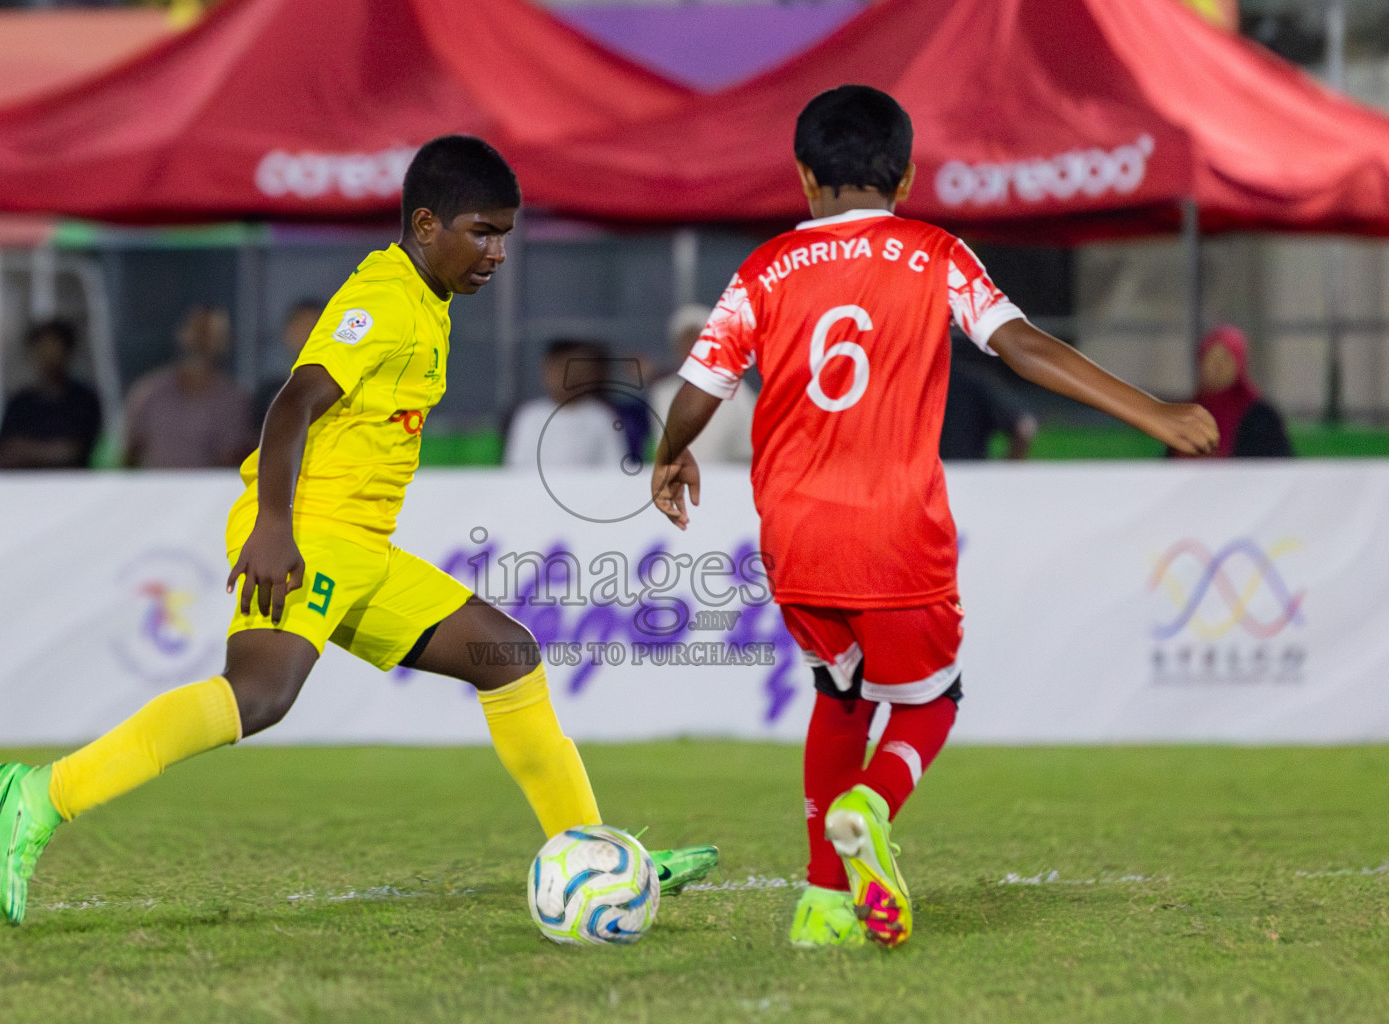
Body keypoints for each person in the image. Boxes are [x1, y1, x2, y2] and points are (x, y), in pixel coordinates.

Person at [0, 135, 716, 925]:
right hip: (307, 534)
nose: (497, 252)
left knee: (508, 657)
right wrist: (272, 526)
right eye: (482, 231)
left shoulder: (425, 299)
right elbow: (295, 400)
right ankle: (41, 795)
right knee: (258, 696)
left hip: (361, 548)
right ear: (426, 224)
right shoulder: (385, 298)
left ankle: (594, 856)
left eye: (505, 233)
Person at [651, 86, 1217, 949]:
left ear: (803, 175)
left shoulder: (762, 269)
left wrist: (669, 452)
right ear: (907, 173)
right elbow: (1022, 345)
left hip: (793, 535)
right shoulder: (934, 254)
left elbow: (700, 387)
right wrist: (1154, 412)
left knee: (838, 696)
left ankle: (822, 904)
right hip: (893, 533)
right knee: (930, 702)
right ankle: (871, 807)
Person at [124, 305, 254, 469]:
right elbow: (129, 453)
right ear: (182, 334)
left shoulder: (235, 400)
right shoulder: (149, 392)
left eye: (211, 333)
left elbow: (236, 457)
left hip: (214, 491)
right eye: (198, 330)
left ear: (226, 341)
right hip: (153, 490)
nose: (203, 339)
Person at [649, 305, 755, 463]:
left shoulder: (737, 391)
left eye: (697, 340)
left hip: (727, 483)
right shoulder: (661, 393)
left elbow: (750, 449)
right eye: (686, 342)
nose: (692, 348)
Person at [0, 320, 103, 470]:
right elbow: (3, 454)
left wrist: (26, 450)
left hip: (73, 487)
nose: (48, 356)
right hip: (23, 488)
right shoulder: (20, 403)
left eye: (54, 348)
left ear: (67, 350)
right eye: (41, 348)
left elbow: (72, 452)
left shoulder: (83, 400)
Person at [503, 338, 630, 469]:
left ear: (593, 374)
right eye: (559, 368)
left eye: (576, 370)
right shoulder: (529, 415)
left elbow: (615, 468)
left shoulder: (601, 417)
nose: (567, 376)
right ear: (545, 371)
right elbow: (514, 468)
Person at [1178, 324, 1293, 458]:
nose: (1218, 366)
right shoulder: (1187, 414)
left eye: (1225, 358)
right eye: (1211, 358)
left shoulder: (1260, 417)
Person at [939, 335, 1037, 461]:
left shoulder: (913, 386)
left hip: (927, 474)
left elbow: (1023, 427)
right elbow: (1024, 428)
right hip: (970, 473)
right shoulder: (974, 382)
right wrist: (1008, 473)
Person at [253, 299, 326, 433]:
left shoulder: (335, 390)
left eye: (314, 327)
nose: (307, 335)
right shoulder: (267, 393)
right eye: (301, 326)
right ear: (287, 331)